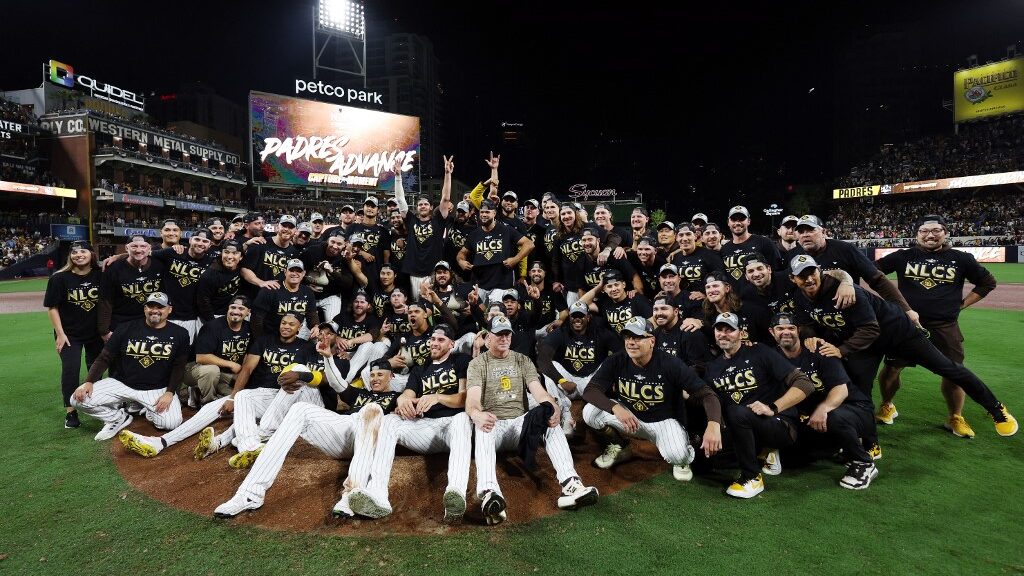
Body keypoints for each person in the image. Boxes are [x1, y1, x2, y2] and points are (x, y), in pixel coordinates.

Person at [788, 254, 1017, 438]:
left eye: (812, 272)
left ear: (819, 271)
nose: (808, 279)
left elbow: (871, 328)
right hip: (866, 343)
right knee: (858, 388)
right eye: (802, 276)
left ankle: (997, 409)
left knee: (948, 368)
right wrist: (809, 335)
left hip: (898, 333)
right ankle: (867, 440)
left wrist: (842, 350)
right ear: (793, 279)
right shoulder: (800, 298)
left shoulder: (847, 291)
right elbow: (805, 323)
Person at [211, 358, 400, 519]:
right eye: (373, 375)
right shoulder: (359, 393)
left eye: (380, 375)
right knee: (299, 409)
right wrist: (327, 357)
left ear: (391, 376)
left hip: (369, 436)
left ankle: (350, 495)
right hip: (344, 431)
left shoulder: (398, 398)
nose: (375, 379)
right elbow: (336, 383)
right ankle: (250, 494)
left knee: (373, 409)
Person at [465, 316, 599, 525]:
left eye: (507, 333)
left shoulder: (522, 360)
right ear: (487, 337)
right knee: (482, 425)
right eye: (498, 333)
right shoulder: (477, 364)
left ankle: (571, 484)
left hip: (520, 424)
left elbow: (539, 391)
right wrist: (477, 414)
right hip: (495, 426)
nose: (504, 338)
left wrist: (553, 406)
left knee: (548, 418)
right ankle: (490, 493)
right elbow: (472, 400)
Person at [875, 215, 998, 437]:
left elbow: (988, 282)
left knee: (954, 374)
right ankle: (887, 404)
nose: (930, 235)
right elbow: (872, 272)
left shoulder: (961, 258)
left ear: (945, 233)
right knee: (892, 369)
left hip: (945, 326)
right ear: (917, 234)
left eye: (936, 230)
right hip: (906, 325)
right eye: (924, 231)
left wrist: (961, 305)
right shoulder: (903, 256)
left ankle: (955, 417)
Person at [343, 324, 473, 522]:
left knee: (463, 418)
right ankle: (378, 495)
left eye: (441, 340)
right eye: (433, 339)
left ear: (451, 344)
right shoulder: (420, 370)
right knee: (389, 420)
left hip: (452, 426)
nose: (434, 343)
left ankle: (455, 492)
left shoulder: (461, 360)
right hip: (425, 427)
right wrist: (403, 401)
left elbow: (465, 399)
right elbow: (407, 394)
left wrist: (438, 397)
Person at [582, 316, 723, 481]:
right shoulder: (617, 360)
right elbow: (590, 390)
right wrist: (616, 408)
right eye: (628, 337)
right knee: (590, 412)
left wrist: (714, 425)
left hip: (663, 422)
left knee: (678, 456)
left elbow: (707, 394)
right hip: (629, 418)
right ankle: (620, 445)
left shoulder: (670, 363)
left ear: (652, 341)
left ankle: (683, 452)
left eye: (638, 337)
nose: (631, 342)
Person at [704, 312, 816, 498]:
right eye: (719, 330)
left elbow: (805, 384)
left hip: (780, 425)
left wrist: (773, 407)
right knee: (705, 461)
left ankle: (752, 477)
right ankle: (763, 453)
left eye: (729, 330)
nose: (723, 334)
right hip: (744, 428)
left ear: (741, 333)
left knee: (737, 413)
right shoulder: (713, 368)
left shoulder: (759, 351)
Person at [769, 312, 878, 489]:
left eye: (791, 328)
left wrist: (824, 408)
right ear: (772, 332)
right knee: (793, 458)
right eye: (780, 328)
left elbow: (841, 390)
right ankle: (839, 445)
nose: (786, 332)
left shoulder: (819, 350)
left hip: (854, 408)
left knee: (834, 416)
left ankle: (863, 463)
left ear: (799, 330)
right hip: (814, 418)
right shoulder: (771, 357)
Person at [70, 292, 188, 440]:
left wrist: (170, 392)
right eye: (151, 306)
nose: (155, 310)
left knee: (171, 423)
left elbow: (179, 366)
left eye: (160, 307)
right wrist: (88, 381)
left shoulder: (180, 333)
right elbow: (105, 357)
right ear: (145, 308)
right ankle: (117, 418)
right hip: (123, 383)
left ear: (169, 309)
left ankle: (149, 409)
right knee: (77, 399)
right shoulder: (126, 328)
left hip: (156, 388)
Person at [537, 300, 622, 436]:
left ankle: (595, 419)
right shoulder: (561, 332)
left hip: (592, 382)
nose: (577, 319)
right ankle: (564, 415)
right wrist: (561, 381)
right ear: (569, 317)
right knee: (552, 368)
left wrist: (616, 379)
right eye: (574, 316)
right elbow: (542, 359)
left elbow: (621, 353)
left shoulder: (600, 332)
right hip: (567, 381)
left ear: (588, 317)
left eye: (581, 316)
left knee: (609, 362)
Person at [45, 240, 103, 429]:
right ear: (70, 256)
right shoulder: (59, 278)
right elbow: (52, 308)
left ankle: (94, 405)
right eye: (74, 252)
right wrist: (60, 334)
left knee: (96, 370)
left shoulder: (101, 275)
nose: (79, 255)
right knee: (70, 370)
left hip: (95, 333)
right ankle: (71, 412)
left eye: (83, 251)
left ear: (91, 254)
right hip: (70, 334)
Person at [396, 156, 453, 299]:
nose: (422, 206)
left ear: (431, 207)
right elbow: (400, 200)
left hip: (433, 272)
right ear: (416, 207)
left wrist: (447, 174)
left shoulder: (438, 221)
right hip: (414, 272)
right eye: (420, 204)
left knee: (434, 309)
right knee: (418, 307)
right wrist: (397, 177)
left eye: (426, 204)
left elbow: (445, 198)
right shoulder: (411, 220)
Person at [457, 199, 533, 304]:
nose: (484, 215)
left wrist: (515, 259)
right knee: (477, 315)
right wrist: (461, 261)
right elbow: (462, 253)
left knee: (495, 314)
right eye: (482, 212)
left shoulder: (506, 230)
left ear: (494, 213)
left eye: (487, 212)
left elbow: (529, 244)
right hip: (479, 285)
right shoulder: (474, 234)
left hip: (501, 285)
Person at [183, 295, 252, 406]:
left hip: (224, 374)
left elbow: (248, 355)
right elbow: (201, 357)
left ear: (248, 312)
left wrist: (241, 372)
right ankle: (207, 404)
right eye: (233, 307)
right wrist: (231, 364)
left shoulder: (249, 328)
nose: (236, 311)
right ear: (228, 309)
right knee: (211, 370)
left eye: (241, 309)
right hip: (195, 368)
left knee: (240, 399)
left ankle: (200, 391)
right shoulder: (212, 327)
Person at [151, 229, 214, 343]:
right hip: (166, 313)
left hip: (190, 317)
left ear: (210, 245)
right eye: (197, 239)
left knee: (183, 350)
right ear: (190, 240)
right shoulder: (173, 252)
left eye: (205, 241)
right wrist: (116, 257)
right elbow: (143, 254)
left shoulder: (212, 261)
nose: (200, 243)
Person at [99, 235, 165, 340]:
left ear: (149, 249)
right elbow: (105, 301)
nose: (138, 250)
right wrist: (104, 331)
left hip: (149, 321)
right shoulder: (113, 268)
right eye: (134, 246)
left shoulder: (159, 265)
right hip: (121, 322)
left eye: (143, 246)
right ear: (126, 248)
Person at [251, 258, 319, 340]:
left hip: (295, 336)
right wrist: (260, 341)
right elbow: (257, 319)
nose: (295, 273)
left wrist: (315, 326)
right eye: (291, 270)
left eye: (298, 271)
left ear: (304, 273)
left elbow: (311, 314)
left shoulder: (307, 292)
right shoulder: (271, 289)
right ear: (285, 271)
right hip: (271, 336)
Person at [719, 206, 783, 285]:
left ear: (748, 221)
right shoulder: (724, 249)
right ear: (728, 222)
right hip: (734, 296)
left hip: (760, 295)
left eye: (742, 219)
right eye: (733, 219)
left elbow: (777, 271)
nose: (738, 223)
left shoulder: (765, 242)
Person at [240, 214, 297, 299]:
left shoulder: (295, 253)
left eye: (291, 227)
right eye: (284, 226)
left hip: (275, 299)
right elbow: (244, 269)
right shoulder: (261, 243)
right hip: (253, 296)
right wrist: (261, 282)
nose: (287, 229)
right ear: (277, 227)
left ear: (295, 230)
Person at [196, 239, 243, 322]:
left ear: (241, 257)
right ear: (221, 254)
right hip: (212, 316)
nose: (230, 257)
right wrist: (212, 322)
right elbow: (203, 301)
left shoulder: (243, 270)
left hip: (234, 314)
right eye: (226, 252)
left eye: (235, 253)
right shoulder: (209, 275)